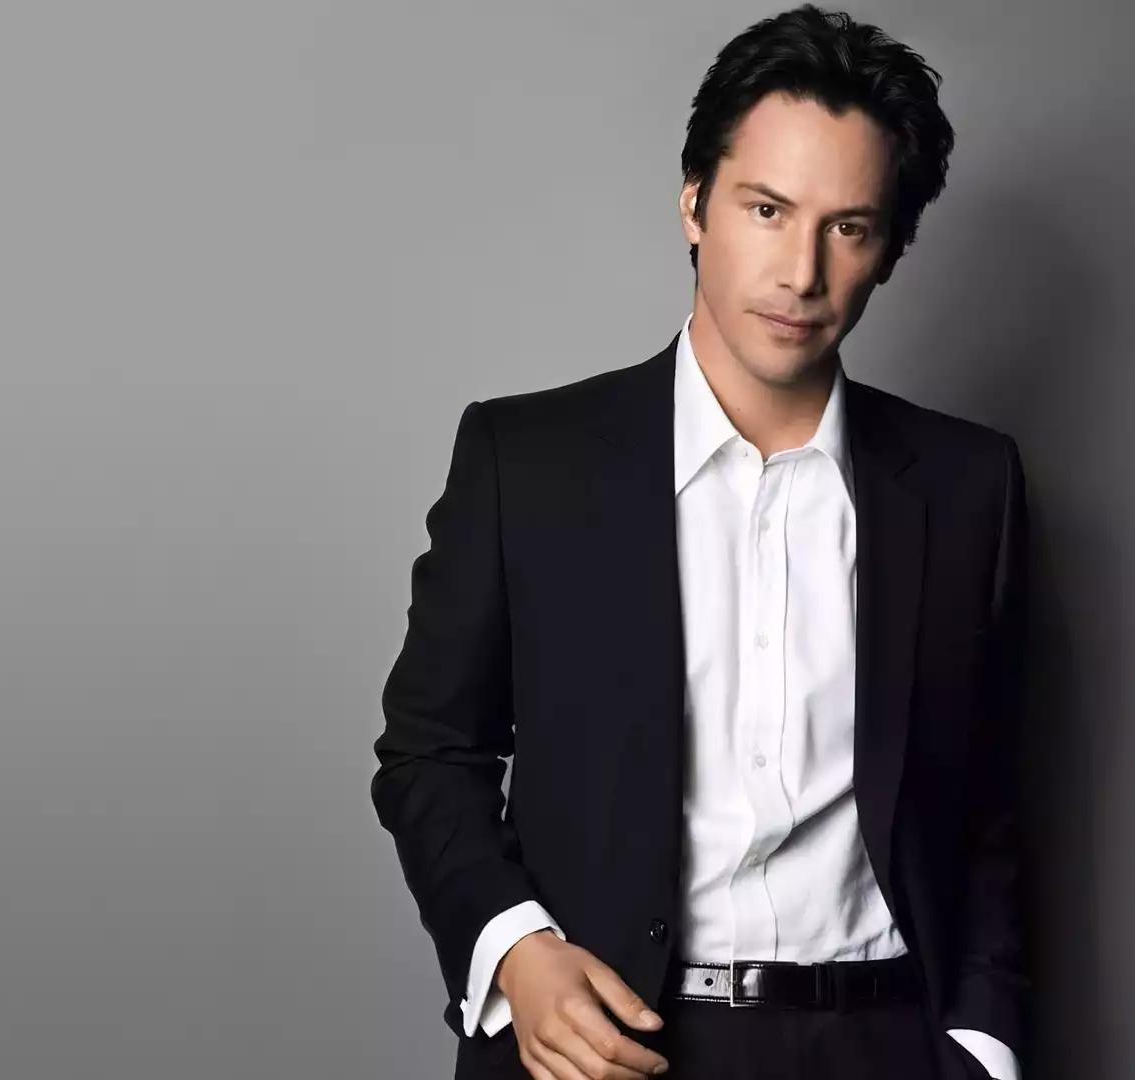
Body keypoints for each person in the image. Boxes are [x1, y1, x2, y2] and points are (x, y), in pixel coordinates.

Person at [371, 7, 1030, 1078]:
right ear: (694, 204)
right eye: (767, 209)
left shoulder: (968, 487)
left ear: (892, 250)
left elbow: (991, 796)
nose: (802, 270)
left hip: (882, 1040)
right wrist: (517, 953)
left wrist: (983, 1043)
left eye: (848, 227)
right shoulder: (525, 462)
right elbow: (428, 754)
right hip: (611, 1043)